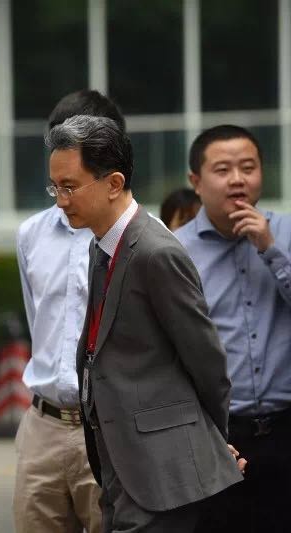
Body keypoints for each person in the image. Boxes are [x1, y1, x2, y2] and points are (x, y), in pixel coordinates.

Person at [46, 115, 243, 531]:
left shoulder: (155, 253)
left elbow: (206, 360)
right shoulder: (101, 246)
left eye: (69, 187)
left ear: (113, 183)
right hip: (119, 460)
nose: (60, 201)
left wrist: (209, 441)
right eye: (55, 187)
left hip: (163, 468)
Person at [13, 89, 125, 533]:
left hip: (110, 428)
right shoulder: (31, 234)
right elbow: (36, 320)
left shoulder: (143, 239)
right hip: (42, 424)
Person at [175, 125, 291, 533]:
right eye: (223, 170)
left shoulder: (286, 233)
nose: (238, 179)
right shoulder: (175, 250)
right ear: (196, 181)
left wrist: (271, 250)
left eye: (248, 167)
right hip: (219, 437)